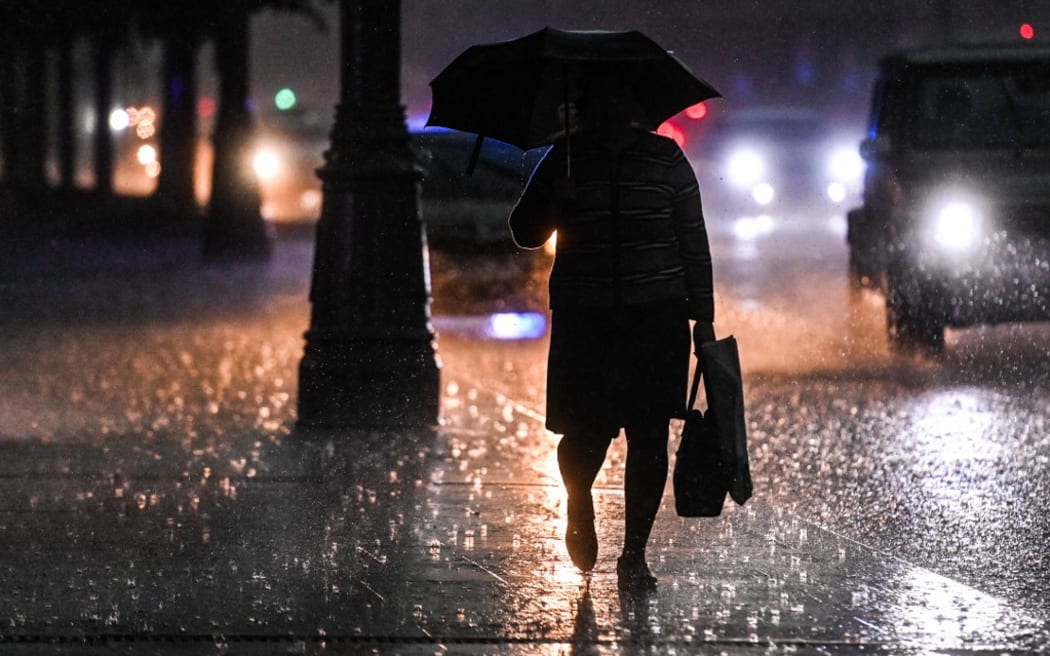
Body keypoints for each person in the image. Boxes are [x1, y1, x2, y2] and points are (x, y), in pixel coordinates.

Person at [508, 79, 716, 591]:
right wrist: (557, 201)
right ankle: (579, 503)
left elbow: (694, 238)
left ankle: (634, 556)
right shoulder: (564, 159)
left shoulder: (667, 161)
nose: (611, 109)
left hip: (657, 319)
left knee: (650, 437)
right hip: (588, 319)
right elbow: (523, 231)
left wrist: (703, 317)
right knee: (586, 434)